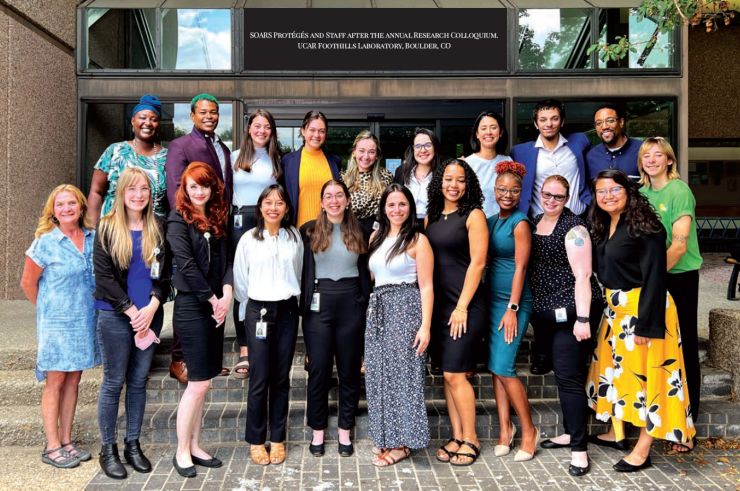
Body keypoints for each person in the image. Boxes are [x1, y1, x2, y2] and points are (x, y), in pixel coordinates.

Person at [586, 169, 695, 472]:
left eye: (614, 190)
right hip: (615, 313)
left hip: (643, 311)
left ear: (628, 191)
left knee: (651, 381)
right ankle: (616, 432)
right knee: (619, 375)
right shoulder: (604, 223)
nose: (607, 196)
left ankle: (642, 449)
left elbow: (655, 278)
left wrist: (647, 325)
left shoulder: (646, 227)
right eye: (601, 191)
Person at [93, 167, 171, 479]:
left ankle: (132, 444)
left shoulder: (159, 227)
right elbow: (104, 277)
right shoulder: (107, 227)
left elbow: (164, 276)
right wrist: (130, 311)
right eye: (132, 190)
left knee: (139, 382)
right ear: (122, 193)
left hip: (150, 315)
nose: (138, 195)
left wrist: (151, 307)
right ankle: (108, 448)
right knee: (114, 382)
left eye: (144, 190)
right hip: (115, 316)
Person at [528, 175, 604, 477]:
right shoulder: (535, 222)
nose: (551, 201)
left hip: (574, 311)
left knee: (569, 377)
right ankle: (570, 433)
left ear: (567, 198)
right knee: (561, 373)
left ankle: (579, 450)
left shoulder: (574, 229)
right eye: (547, 195)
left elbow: (584, 276)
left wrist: (584, 319)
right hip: (547, 311)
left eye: (558, 197)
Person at [20, 184, 100, 469]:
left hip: (84, 320)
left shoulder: (91, 238)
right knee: (55, 382)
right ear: (52, 212)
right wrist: (48, 311)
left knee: (74, 381)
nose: (66, 209)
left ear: (81, 207)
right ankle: (52, 445)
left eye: (71, 204)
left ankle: (67, 441)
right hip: (56, 324)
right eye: (60, 205)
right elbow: (28, 284)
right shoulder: (45, 242)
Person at [510, 99, 591, 375]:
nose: (549, 124)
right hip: (540, 227)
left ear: (562, 121)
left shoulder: (579, 144)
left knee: (579, 281)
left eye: (554, 118)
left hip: (575, 223)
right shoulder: (521, 151)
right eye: (543, 120)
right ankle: (543, 350)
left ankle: (577, 343)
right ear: (535, 123)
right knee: (538, 285)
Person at [167, 162, 232, 478]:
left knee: (205, 383)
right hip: (193, 307)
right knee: (197, 383)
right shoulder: (177, 219)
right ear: (185, 188)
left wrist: (228, 293)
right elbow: (187, 265)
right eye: (193, 186)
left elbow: (229, 259)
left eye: (204, 186)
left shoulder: (219, 217)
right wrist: (212, 299)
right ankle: (181, 451)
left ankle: (195, 444)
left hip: (216, 305)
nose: (199, 191)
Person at [638, 137, 703, 451]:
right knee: (658, 348)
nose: (651, 160)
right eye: (646, 155)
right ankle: (661, 419)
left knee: (684, 344)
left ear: (669, 160)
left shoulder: (679, 191)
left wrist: (653, 277)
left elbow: (678, 244)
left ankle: (688, 426)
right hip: (651, 279)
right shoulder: (640, 193)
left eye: (657, 155)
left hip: (678, 277)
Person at [233, 184, 303, 466]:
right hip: (258, 309)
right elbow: (240, 281)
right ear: (260, 207)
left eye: (279, 203)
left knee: (281, 377)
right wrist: (251, 308)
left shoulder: (294, 237)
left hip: (286, 310)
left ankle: (277, 438)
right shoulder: (248, 239)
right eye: (268, 202)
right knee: (260, 376)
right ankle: (255, 439)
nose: (273, 207)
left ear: (286, 208)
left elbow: (297, 271)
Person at [165, 93, 233, 384]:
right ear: (192, 115)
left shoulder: (223, 147)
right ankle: (180, 359)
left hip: (217, 222)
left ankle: (209, 361)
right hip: (192, 226)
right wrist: (185, 224)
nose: (209, 116)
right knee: (193, 293)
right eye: (203, 112)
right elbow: (176, 188)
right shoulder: (181, 145)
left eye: (214, 112)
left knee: (215, 286)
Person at [425, 158, 488, 466]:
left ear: (468, 184)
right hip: (438, 308)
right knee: (447, 376)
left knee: (455, 373)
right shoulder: (432, 216)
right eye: (448, 179)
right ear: (440, 182)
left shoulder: (473, 215)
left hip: (465, 305)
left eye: (460, 180)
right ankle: (457, 435)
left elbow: (478, 263)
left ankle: (472, 438)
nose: (453, 184)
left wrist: (462, 306)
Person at [299, 180, 369, 458]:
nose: (334, 200)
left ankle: (344, 431)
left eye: (339, 195)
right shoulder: (309, 230)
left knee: (349, 371)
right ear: (322, 201)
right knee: (319, 371)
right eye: (328, 196)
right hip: (320, 303)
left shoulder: (361, 231)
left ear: (348, 200)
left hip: (351, 302)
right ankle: (318, 432)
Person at [365, 184, 433, 467]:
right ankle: (386, 436)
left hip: (406, 308)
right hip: (379, 310)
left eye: (402, 204)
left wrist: (425, 326)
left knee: (405, 377)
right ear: (384, 208)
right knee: (380, 376)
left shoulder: (418, 240)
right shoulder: (376, 238)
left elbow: (427, 285)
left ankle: (404, 443)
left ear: (410, 207)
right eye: (391, 205)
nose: (396, 210)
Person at [487, 161, 540, 461]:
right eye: (502, 189)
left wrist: (513, 307)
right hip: (492, 301)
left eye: (514, 190)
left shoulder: (521, 222)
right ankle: (504, 429)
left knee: (505, 367)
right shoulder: (493, 220)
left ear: (521, 193)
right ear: (494, 190)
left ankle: (529, 430)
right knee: (496, 368)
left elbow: (521, 266)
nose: (507, 194)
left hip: (513, 303)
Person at [229, 108, 282, 379]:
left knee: (267, 279)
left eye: (267, 127)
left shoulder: (277, 160)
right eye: (257, 126)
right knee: (244, 283)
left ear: (272, 132)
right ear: (249, 128)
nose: (261, 131)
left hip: (267, 218)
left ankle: (266, 339)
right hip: (240, 220)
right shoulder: (233, 157)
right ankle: (245, 348)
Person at [87, 94, 167, 222]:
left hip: (154, 232)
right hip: (113, 229)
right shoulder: (115, 151)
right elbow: (96, 192)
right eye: (142, 117)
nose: (148, 123)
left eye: (154, 119)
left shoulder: (167, 156)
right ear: (133, 121)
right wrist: (92, 231)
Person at [281, 110, 342, 227]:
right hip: (299, 231)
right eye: (312, 130)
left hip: (329, 230)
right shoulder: (288, 162)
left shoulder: (335, 161)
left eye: (321, 131)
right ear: (303, 131)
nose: (317, 135)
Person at [341, 130, 393, 238]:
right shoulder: (342, 178)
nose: (366, 156)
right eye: (361, 151)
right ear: (354, 152)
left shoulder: (386, 177)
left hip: (378, 236)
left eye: (371, 152)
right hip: (350, 237)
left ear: (377, 155)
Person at [465, 111, 513, 217]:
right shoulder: (467, 164)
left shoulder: (508, 162)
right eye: (483, 128)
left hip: (503, 223)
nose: (488, 132)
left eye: (493, 127)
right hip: (475, 224)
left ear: (501, 132)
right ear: (477, 134)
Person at [393, 128, 441, 219]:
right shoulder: (401, 172)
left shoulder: (443, 173)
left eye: (428, 145)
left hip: (434, 225)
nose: (423, 150)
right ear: (413, 149)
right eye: (418, 146)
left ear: (435, 147)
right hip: (405, 225)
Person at [586, 103, 642, 181]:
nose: (604, 127)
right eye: (599, 123)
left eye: (610, 121)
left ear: (621, 122)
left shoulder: (642, 150)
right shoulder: (591, 156)